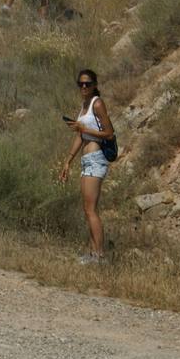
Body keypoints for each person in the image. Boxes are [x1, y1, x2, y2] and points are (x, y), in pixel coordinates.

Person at [58, 70, 117, 263]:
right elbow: (80, 136)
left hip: (96, 158)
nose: (84, 87)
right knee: (87, 209)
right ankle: (93, 253)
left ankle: (100, 256)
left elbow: (109, 133)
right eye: (81, 84)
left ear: (94, 85)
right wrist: (68, 161)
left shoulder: (97, 103)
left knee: (91, 209)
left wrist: (85, 129)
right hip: (86, 159)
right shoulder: (84, 106)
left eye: (88, 84)